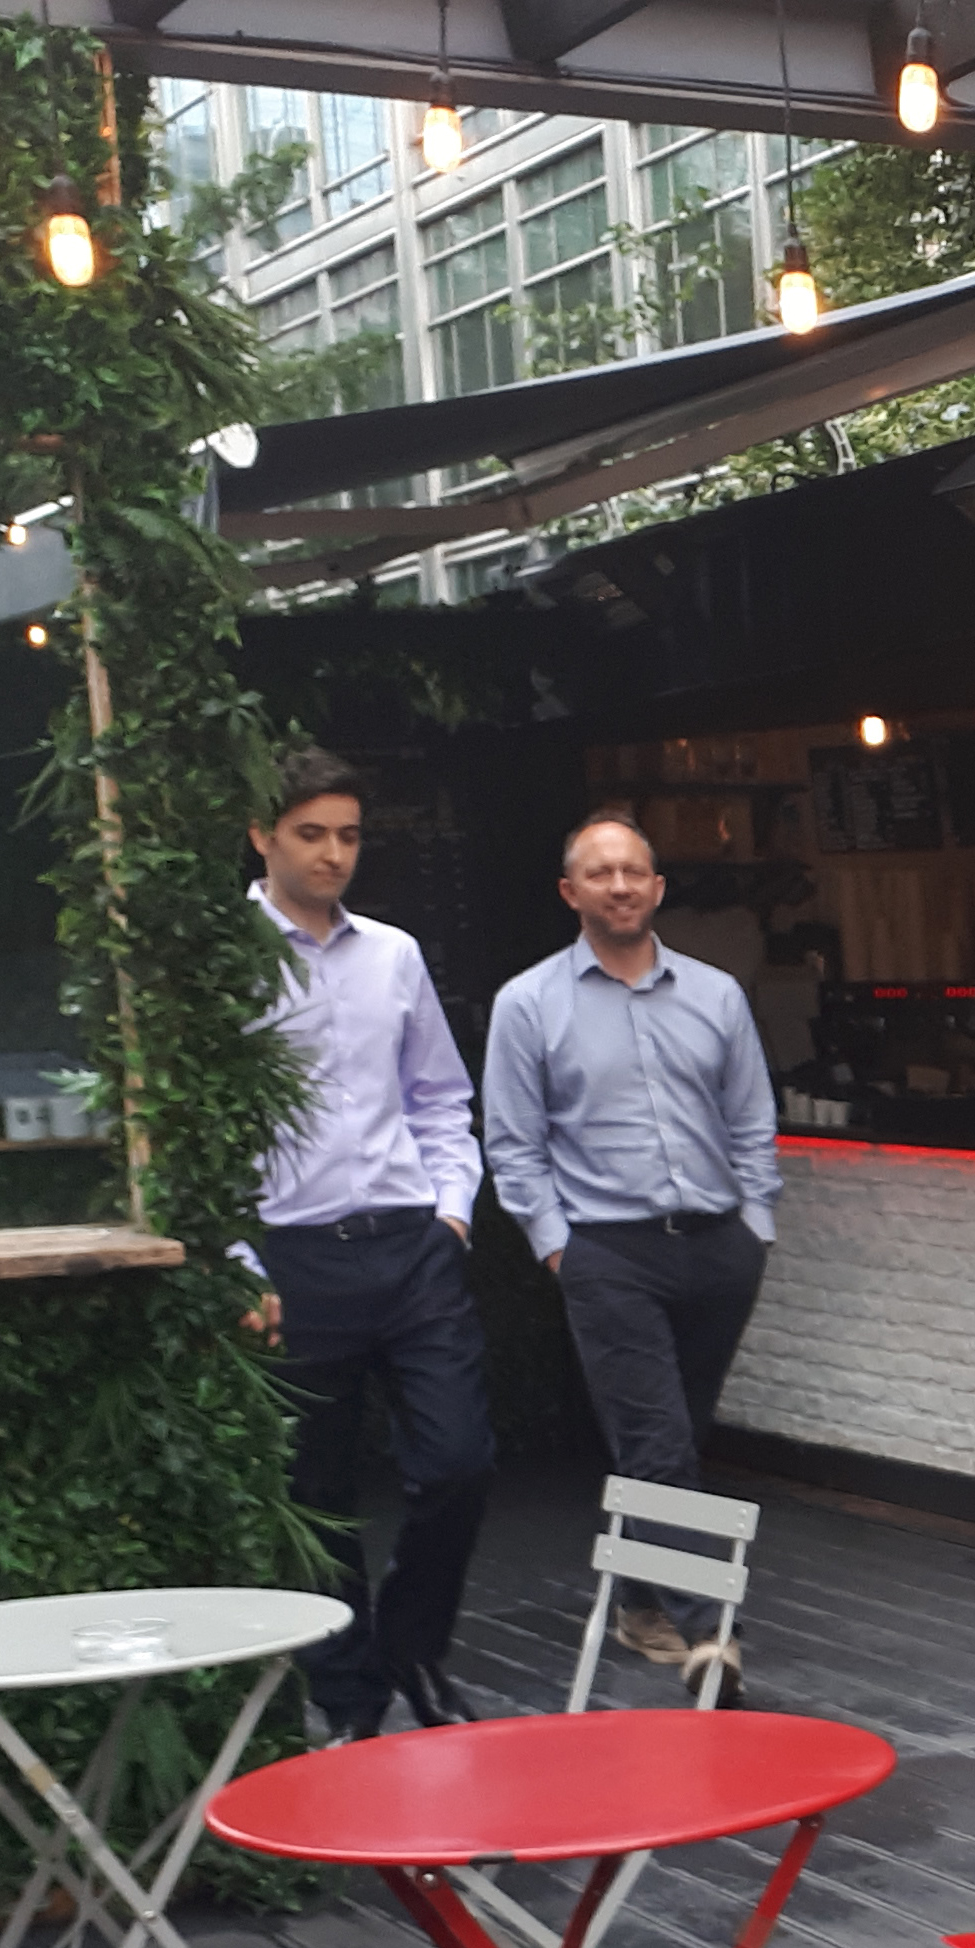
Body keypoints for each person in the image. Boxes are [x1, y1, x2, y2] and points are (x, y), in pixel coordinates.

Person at [482, 807, 779, 1695]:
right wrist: (555, 1247)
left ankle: (642, 1602)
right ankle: (708, 1635)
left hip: (718, 1249)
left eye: (634, 872)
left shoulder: (717, 995)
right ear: (571, 892)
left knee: (673, 1437)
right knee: (655, 1440)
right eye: (600, 873)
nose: (620, 886)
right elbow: (513, 1141)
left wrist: (756, 1226)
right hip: (607, 1253)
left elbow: (752, 1120)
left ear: (656, 887)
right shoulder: (528, 1003)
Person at [242, 746, 496, 1743]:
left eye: (348, 835)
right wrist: (236, 1257)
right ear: (262, 835)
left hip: (407, 1242)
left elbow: (440, 1095)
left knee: (460, 1461)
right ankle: (350, 1698)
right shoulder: (227, 958)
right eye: (312, 835)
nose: (334, 854)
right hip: (291, 1253)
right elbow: (195, 1128)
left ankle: (415, 1648)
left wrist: (451, 1211)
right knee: (318, 1491)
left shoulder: (392, 953)